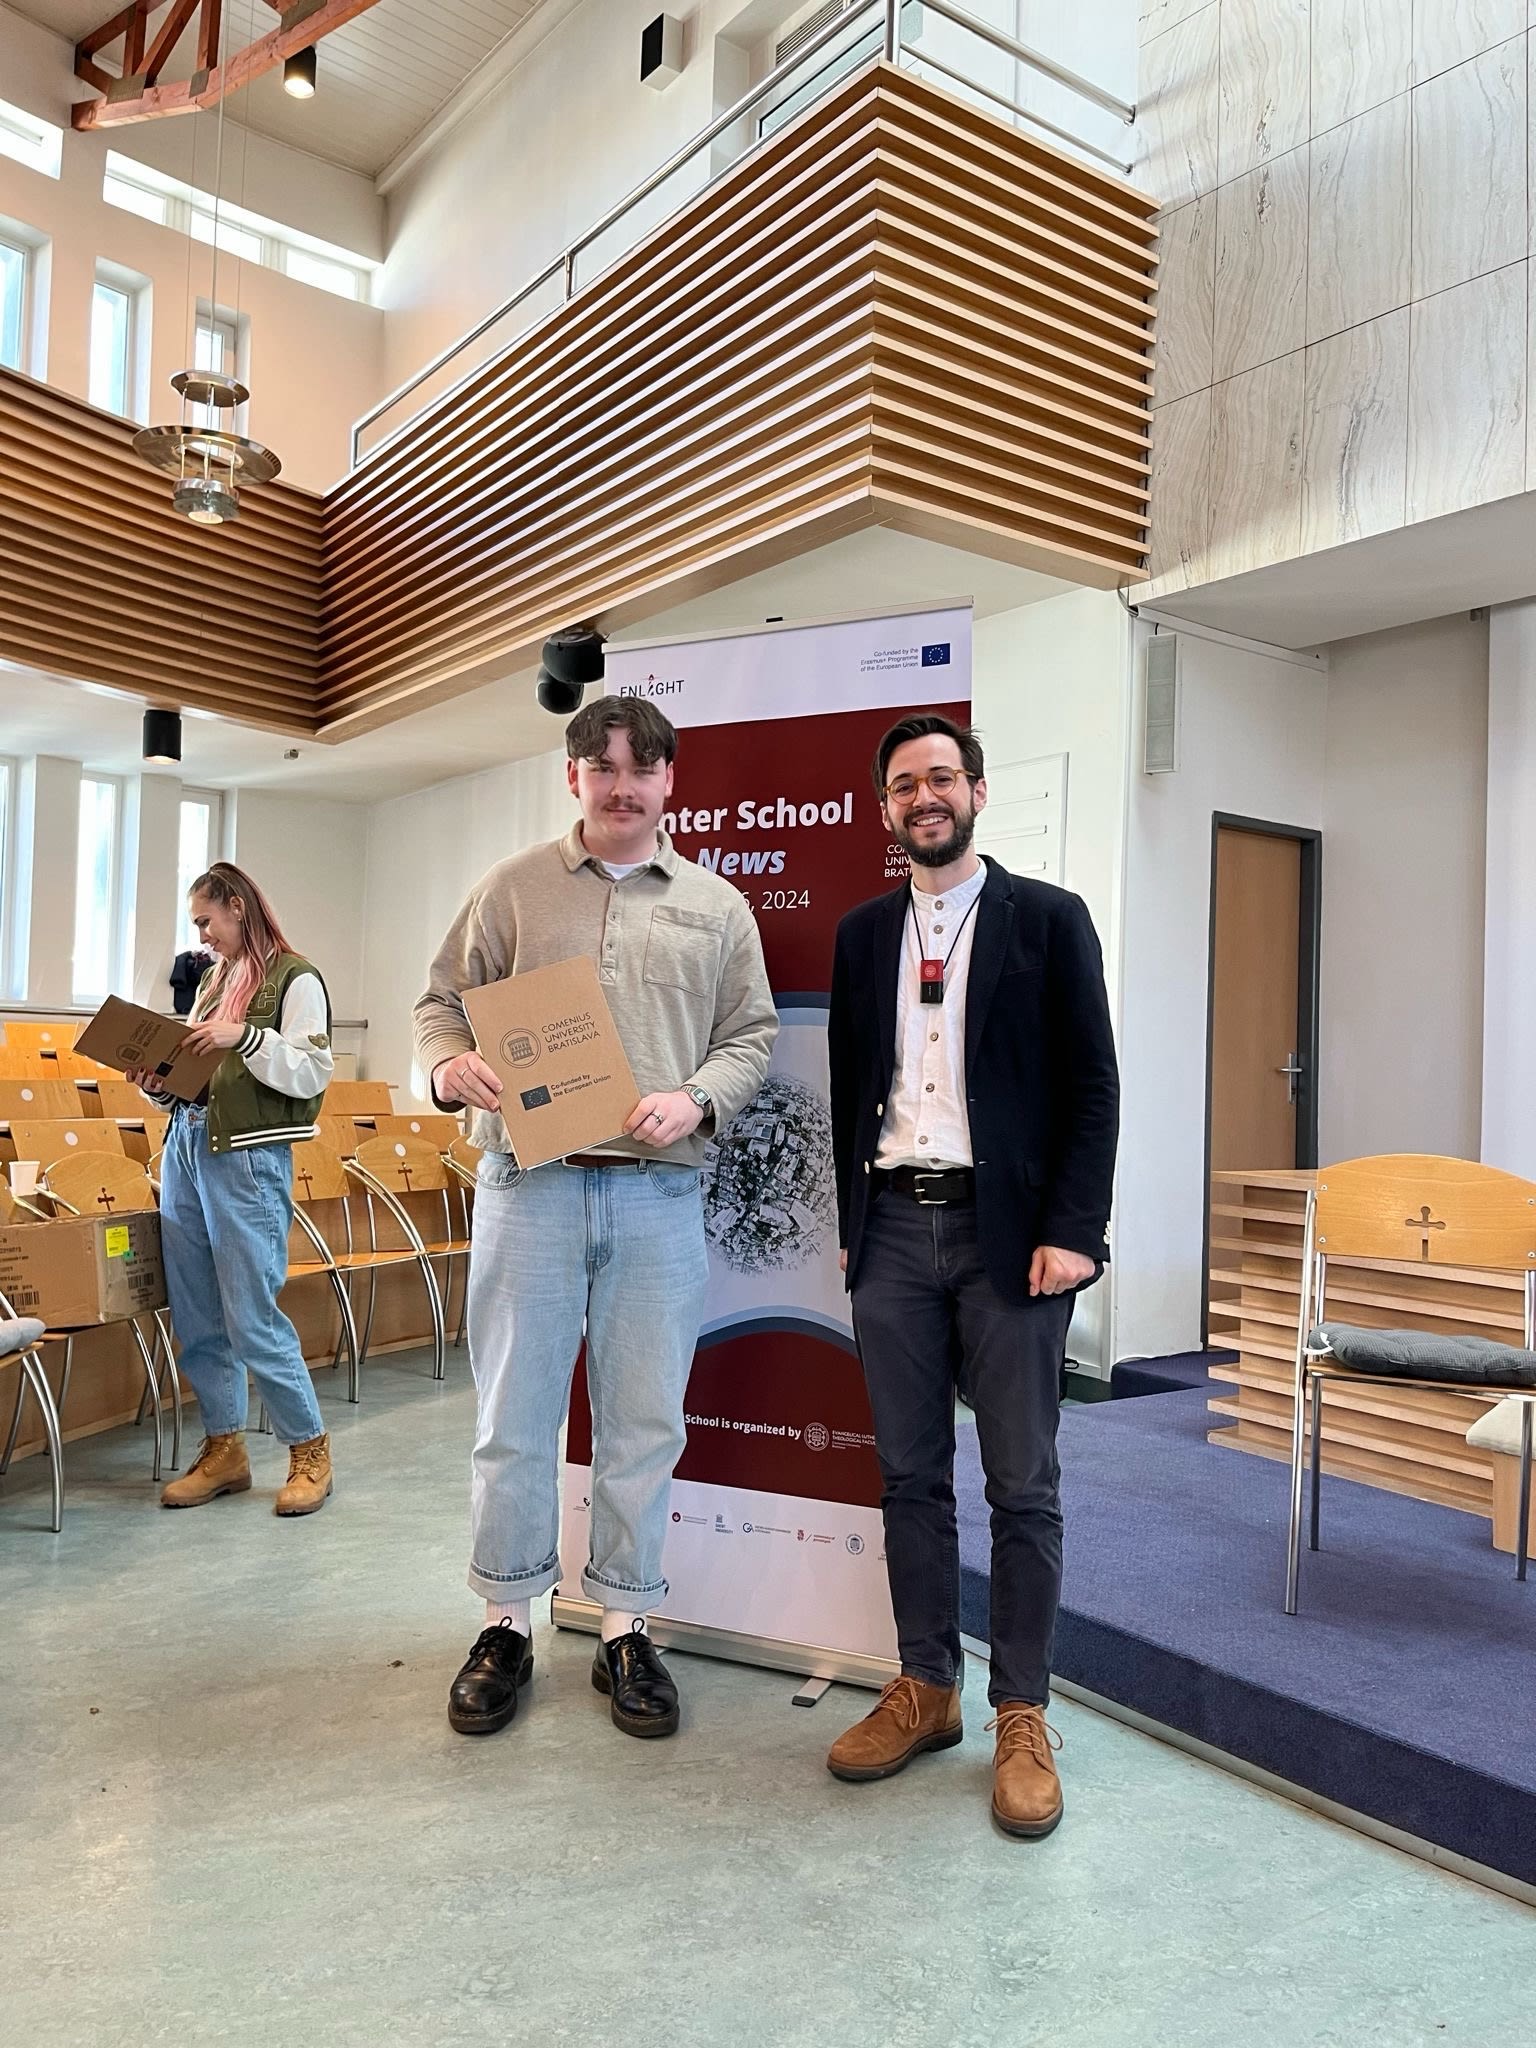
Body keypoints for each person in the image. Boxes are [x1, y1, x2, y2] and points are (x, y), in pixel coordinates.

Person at [415, 695, 776, 1742]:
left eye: (642, 770)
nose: (623, 787)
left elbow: (749, 1035)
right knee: (513, 1418)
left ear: (672, 783)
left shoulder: (718, 907)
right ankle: (504, 1622)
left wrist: (698, 1097)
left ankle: (626, 1625)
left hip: (660, 1192)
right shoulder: (511, 889)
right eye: (602, 767)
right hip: (530, 1186)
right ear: (571, 775)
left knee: (643, 1418)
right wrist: (448, 1065)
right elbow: (440, 1001)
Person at [824, 714, 1118, 1839]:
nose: (925, 796)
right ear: (886, 809)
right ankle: (928, 1686)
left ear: (979, 794)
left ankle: (1022, 1711)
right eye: (905, 784)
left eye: (942, 776)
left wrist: (1076, 1227)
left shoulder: (1048, 920)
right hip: (895, 1230)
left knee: (1023, 1485)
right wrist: (856, 1221)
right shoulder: (861, 935)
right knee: (908, 1477)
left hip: (1015, 1242)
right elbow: (857, 1085)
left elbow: (1094, 1085)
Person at [133, 864, 337, 1516]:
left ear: (238, 907)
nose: (201, 935)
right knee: (196, 1314)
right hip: (187, 1148)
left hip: (247, 1160)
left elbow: (311, 1071)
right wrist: (157, 1081)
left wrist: (242, 1035)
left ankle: (309, 1448)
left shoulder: (295, 978)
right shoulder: (215, 981)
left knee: (251, 1315)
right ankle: (226, 1450)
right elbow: (200, 1075)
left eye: (205, 920)